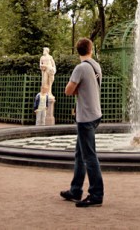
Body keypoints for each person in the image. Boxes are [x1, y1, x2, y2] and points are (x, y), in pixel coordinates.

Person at [60, 38, 104, 208]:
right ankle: (75, 190)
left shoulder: (80, 68)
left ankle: (96, 194)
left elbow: (68, 90)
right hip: (95, 114)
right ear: (90, 49)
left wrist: (76, 88)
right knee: (80, 153)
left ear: (77, 51)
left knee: (89, 156)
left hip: (85, 116)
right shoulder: (95, 66)